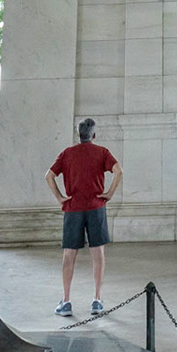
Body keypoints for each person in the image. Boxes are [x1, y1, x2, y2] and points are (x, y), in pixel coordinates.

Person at [48, 119, 120, 318]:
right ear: (93, 135)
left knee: (69, 255)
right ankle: (97, 299)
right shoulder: (102, 152)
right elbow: (118, 171)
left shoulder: (67, 153)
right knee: (98, 254)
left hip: (73, 208)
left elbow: (49, 176)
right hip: (96, 207)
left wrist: (61, 198)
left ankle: (66, 300)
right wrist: (109, 193)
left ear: (78, 134)